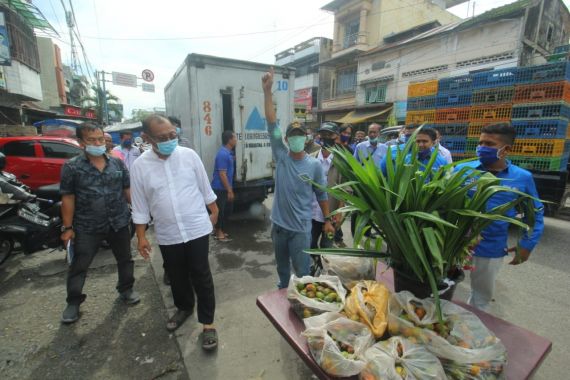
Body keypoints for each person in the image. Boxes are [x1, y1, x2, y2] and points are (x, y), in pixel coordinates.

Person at [131, 115, 219, 349]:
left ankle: (208, 323)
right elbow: (139, 205)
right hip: (167, 232)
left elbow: (205, 188)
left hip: (196, 227)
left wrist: (214, 213)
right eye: (163, 137)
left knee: (201, 274)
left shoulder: (189, 156)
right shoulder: (140, 166)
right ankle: (184, 308)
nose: (170, 140)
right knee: (176, 275)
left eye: (173, 135)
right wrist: (141, 236)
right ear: (147, 138)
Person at [455, 123, 544, 312]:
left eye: (489, 143)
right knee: (445, 287)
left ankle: (474, 334)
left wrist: (527, 245)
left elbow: (534, 214)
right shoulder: (462, 170)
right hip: (454, 243)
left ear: (506, 150)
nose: (481, 148)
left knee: (481, 298)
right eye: (480, 143)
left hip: (490, 248)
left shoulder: (522, 177)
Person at [262, 68, 334, 289]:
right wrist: (267, 92)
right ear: (286, 139)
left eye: (300, 136)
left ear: (306, 138)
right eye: (292, 136)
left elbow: (321, 195)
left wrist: (328, 220)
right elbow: (272, 124)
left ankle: (302, 304)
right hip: (279, 227)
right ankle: (283, 291)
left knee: (302, 271)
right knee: (282, 269)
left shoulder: (313, 165)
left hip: (300, 229)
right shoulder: (281, 156)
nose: (296, 139)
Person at [60, 122, 139, 324]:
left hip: (119, 221)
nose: (98, 143)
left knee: (125, 258)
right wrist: (68, 228)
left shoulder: (117, 163)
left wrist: (139, 214)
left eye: (100, 139)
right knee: (80, 264)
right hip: (87, 225)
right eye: (92, 140)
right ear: (80, 143)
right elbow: (68, 198)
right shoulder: (72, 167)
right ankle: (74, 302)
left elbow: (127, 190)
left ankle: (126, 289)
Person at [310, 122, 341, 252]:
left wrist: (339, 213)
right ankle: (314, 266)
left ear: (336, 136)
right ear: (319, 136)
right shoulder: (311, 159)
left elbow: (346, 190)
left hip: (332, 215)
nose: (327, 137)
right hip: (310, 214)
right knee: (309, 246)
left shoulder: (342, 161)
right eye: (323, 134)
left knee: (327, 248)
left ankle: (323, 268)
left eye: (330, 134)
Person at [380, 127, 448, 174]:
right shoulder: (399, 156)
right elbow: (382, 174)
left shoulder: (440, 161)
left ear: (433, 143)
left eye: (425, 141)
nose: (420, 144)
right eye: (418, 141)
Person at [211, 130, 237, 242]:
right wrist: (229, 190)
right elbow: (222, 174)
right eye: (235, 137)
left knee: (227, 210)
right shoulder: (223, 154)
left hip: (223, 188)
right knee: (220, 211)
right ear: (230, 140)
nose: (236, 140)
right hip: (220, 188)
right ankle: (218, 232)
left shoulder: (228, 153)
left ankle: (218, 229)